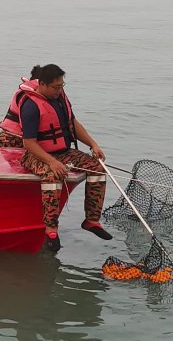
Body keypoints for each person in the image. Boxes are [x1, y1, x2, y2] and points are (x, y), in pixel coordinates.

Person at [17, 64, 112, 252]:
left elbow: (73, 124)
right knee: (53, 176)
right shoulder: (30, 106)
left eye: (62, 85)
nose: (59, 90)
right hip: (37, 155)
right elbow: (29, 143)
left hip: (63, 152)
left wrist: (93, 145)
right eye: (55, 87)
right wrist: (52, 162)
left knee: (98, 168)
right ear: (42, 84)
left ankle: (91, 220)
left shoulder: (60, 99)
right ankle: (51, 227)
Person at [0, 65, 41, 148]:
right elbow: (25, 122)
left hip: (7, 134)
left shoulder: (26, 93)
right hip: (13, 137)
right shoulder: (27, 97)